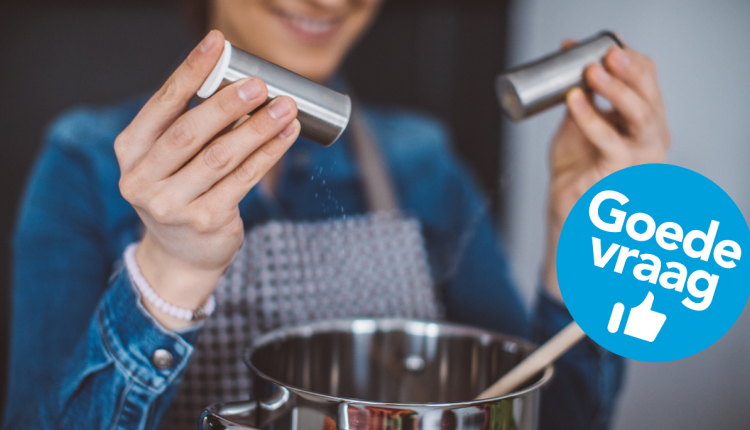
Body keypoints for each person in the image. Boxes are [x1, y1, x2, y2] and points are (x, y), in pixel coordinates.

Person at [3, 0, 671, 429]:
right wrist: (168, 274)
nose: (329, 2)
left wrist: (584, 242)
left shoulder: (423, 160)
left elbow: (547, 419)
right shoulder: (85, 163)